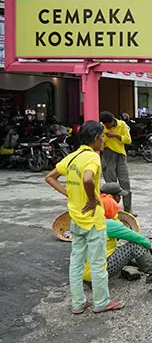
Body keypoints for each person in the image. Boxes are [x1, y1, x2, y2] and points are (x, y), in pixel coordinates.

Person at [45, 121, 124, 314]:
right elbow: (88, 178)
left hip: (75, 217)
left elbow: (50, 177)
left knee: (76, 261)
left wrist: (69, 193)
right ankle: (101, 302)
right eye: (103, 136)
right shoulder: (92, 157)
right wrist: (90, 198)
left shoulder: (72, 157)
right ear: (95, 138)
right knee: (97, 262)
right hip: (92, 220)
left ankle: (78, 303)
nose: (104, 140)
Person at [81, 182, 152, 284]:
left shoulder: (91, 217)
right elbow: (136, 238)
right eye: (119, 196)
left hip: (85, 272)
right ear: (112, 198)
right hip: (96, 274)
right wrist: (150, 247)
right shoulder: (110, 225)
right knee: (136, 246)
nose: (120, 199)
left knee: (115, 248)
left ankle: (139, 264)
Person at [100, 111, 132, 212]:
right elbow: (99, 140)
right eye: (105, 125)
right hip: (107, 155)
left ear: (112, 120)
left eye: (108, 124)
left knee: (125, 182)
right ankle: (112, 209)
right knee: (111, 185)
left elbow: (128, 140)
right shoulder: (101, 126)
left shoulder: (122, 125)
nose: (106, 126)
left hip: (120, 155)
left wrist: (115, 135)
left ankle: (128, 209)